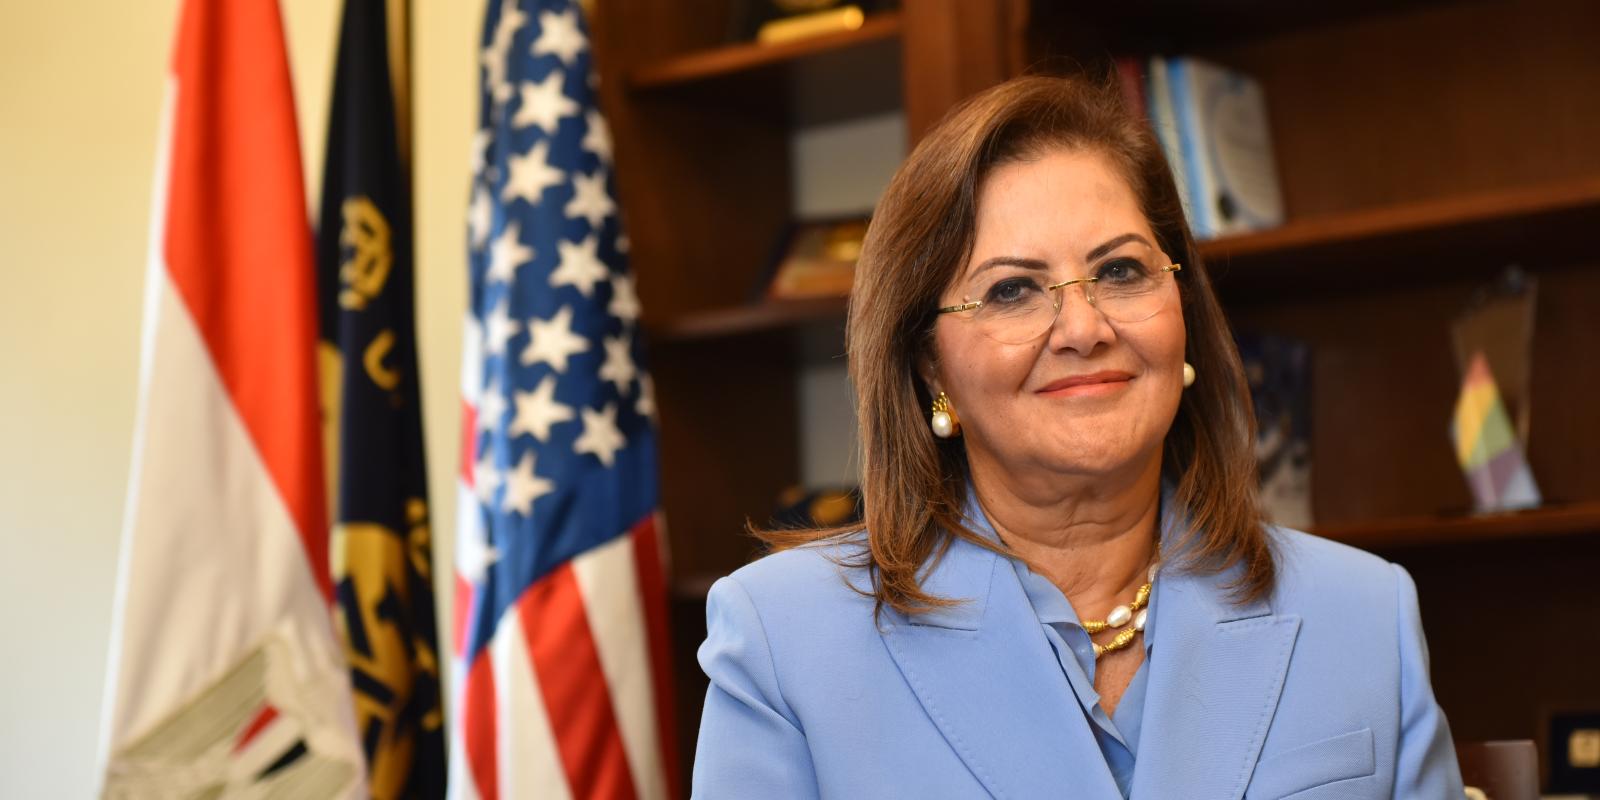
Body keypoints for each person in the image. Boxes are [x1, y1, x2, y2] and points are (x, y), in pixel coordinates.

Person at [690, 75, 1465, 799]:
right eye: (1012, 290)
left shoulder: (1364, 612)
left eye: (1123, 272)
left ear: (1183, 312)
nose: (1085, 328)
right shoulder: (784, 640)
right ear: (930, 368)